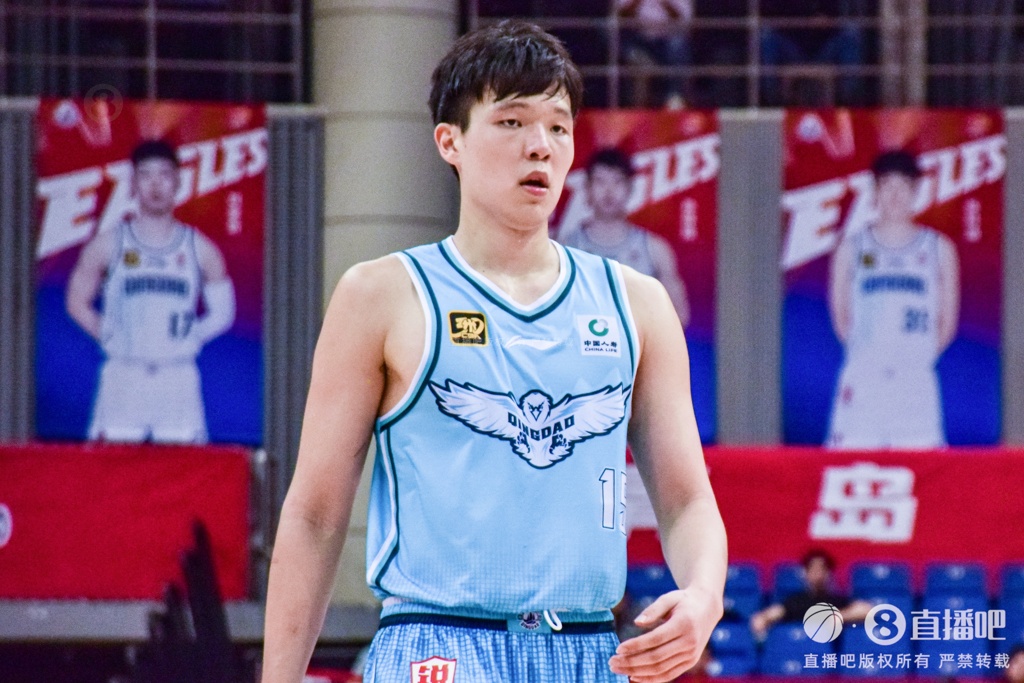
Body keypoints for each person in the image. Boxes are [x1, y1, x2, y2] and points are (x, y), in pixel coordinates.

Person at [262, 19, 726, 683]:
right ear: (449, 141)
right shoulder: (381, 295)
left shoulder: (637, 303)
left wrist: (705, 594)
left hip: (587, 647)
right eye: (512, 122)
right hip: (437, 645)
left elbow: (686, 500)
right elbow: (314, 515)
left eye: (558, 127)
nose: (540, 145)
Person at [66, 139, 235, 444]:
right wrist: (108, 334)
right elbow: (76, 301)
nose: (155, 185)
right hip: (123, 375)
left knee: (185, 469)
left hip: (177, 378)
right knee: (112, 467)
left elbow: (223, 313)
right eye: (146, 175)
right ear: (133, 183)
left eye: (164, 175)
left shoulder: (201, 249)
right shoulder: (108, 244)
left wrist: (191, 337)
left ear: (178, 181)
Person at [826, 149, 960, 449]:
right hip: (864, 380)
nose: (895, 196)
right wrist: (870, 356)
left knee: (921, 468)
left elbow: (947, 323)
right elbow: (841, 316)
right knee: (852, 466)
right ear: (875, 191)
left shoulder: (940, 249)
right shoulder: (852, 248)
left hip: (915, 382)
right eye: (887, 186)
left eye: (903, 187)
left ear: (916, 190)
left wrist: (914, 357)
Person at [559, 147, 691, 326]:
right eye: (600, 181)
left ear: (630, 187)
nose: (609, 191)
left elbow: (680, 315)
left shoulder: (655, 249)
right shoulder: (565, 248)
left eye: (617, 182)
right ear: (587, 188)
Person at [749, 549, 872, 640]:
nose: (818, 575)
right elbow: (766, 616)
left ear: (829, 573)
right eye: (813, 569)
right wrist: (762, 621)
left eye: (822, 569)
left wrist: (837, 617)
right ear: (805, 573)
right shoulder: (795, 601)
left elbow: (867, 610)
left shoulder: (837, 600)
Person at [617, 0, 694, 107]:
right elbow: (620, 16)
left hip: (667, 39)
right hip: (637, 39)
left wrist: (665, 3)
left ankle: (675, 97)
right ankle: (638, 107)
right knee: (640, 63)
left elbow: (684, 21)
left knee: (677, 44)